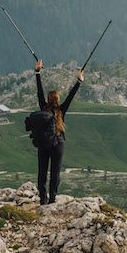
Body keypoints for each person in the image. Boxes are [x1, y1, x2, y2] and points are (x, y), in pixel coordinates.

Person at [34, 59, 83, 204]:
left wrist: (38, 72)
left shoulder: (43, 108)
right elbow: (71, 96)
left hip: (43, 145)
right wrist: (79, 81)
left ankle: (43, 199)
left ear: (48, 100)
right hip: (58, 144)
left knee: (42, 173)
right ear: (57, 99)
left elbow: (39, 92)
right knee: (55, 174)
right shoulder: (61, 110)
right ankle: (52, 199)